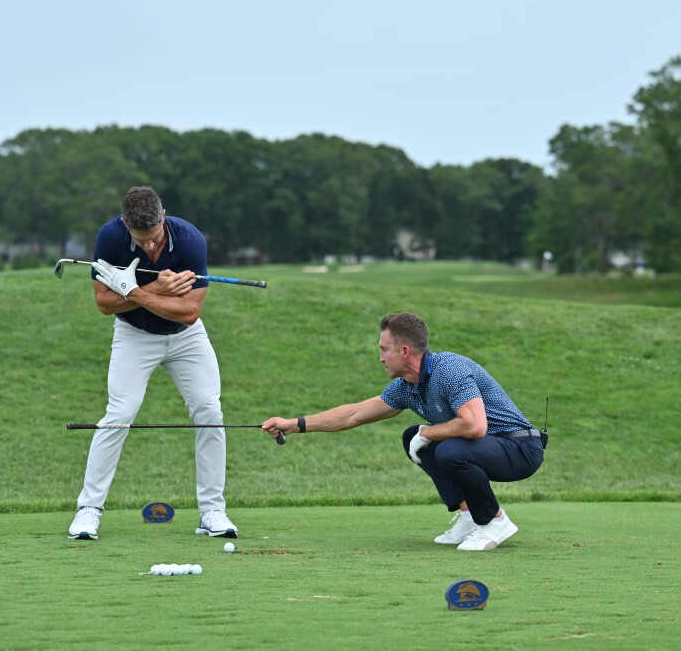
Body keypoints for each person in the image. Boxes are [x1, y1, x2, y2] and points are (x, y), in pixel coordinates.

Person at [262, 312, 545, 551]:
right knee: (413, 437)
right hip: (490, 447)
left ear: (405, 351)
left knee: (444, 447)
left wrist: (429, 432)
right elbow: (352, 415)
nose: (381, 357)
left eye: (384, 350)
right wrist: (294, 424)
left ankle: (494, 520)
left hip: (520, 449)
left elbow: (475, 425)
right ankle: (470, 515)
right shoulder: (406, 387)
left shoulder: (449, 370)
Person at [68, 186, 238, 541]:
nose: (148, 246)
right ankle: (88, 510)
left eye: (154, 238)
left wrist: (132, 291)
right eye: (140, 240)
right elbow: (103, 303)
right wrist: (157, 291)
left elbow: (190, 312)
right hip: (134, 336)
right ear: (125, 226)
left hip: (185, 338)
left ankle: (212, 511)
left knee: (209, 409)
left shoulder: (190, 239)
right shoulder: (110, 238)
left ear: (164, 217)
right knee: (120, 413)